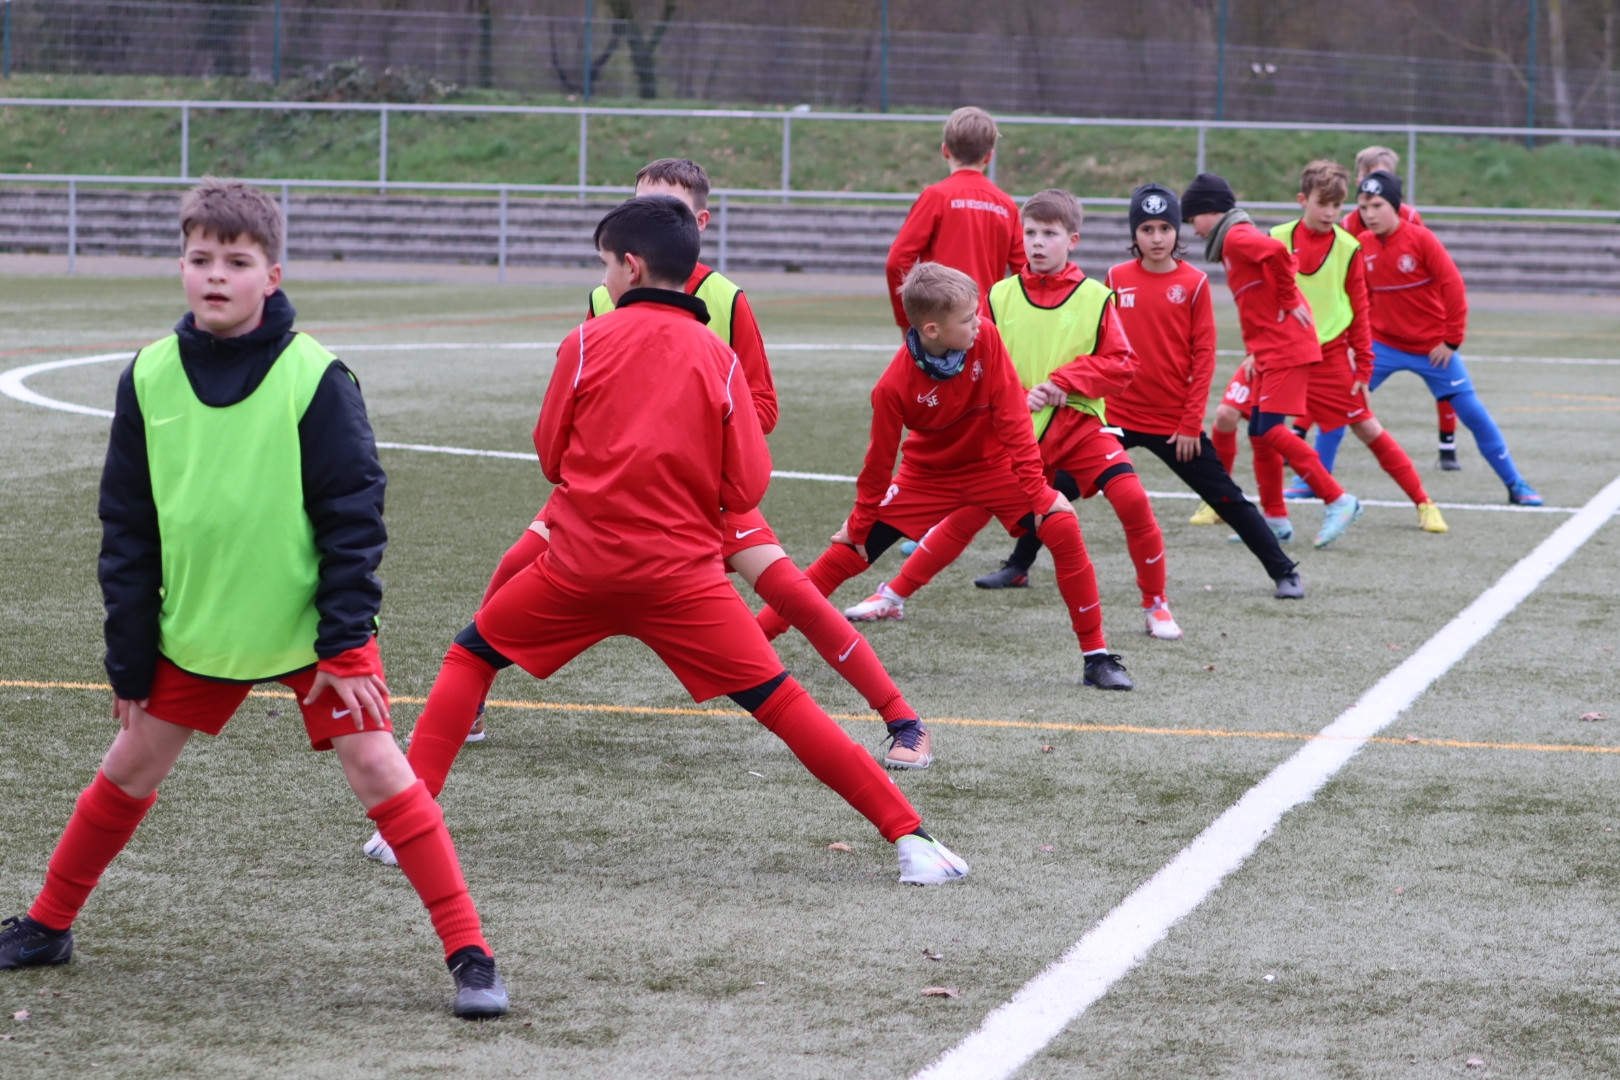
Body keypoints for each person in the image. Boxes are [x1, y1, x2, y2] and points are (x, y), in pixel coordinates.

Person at [0, 180, 508, 1020]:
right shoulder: (149, 375)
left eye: (236, 261)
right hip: (199, 629)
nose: (215, 275)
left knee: (380, 768)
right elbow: (127, 527)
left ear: (272, 275)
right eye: (200, 258)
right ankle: (49, 924)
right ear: (181, 265)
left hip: (316, 635)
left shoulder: (315, 376)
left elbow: (355, 517)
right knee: (128, 764)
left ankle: (471, 954)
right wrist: (130, 654)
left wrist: (345, 643)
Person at [377, 196, 970, 887]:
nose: (604, 277)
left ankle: (404, 830)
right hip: (683, 579)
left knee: (471, 655)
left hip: (578, 569)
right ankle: (912, 839)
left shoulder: (583, 341)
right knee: (782, 702)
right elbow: (746, 485)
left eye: (606, 264)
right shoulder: (718, 355)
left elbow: (549, 456)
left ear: (630, 267)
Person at [458, 158, 933, 771]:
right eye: (640, 206)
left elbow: (763, 404)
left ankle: (902, 719)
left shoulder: (726, 299)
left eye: (670, 209)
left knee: (797, 597)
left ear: (699, 223)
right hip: (609, 498)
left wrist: (696, 429)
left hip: (703, 496)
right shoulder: (605, 295)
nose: (652, 218)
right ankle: (471, 697)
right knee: (515, 564)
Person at [756, 261, 1135, 690]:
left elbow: (1013, 417)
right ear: (933, 329)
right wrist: (860, 524)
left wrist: (1038, 492)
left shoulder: (986, 338)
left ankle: (1096, 657)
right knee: (848, 554)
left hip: (994, 468)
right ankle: (753, 639)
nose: (979, 323)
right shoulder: (893, 387)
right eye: (968, 318)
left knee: (1061, 523)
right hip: (926, 476)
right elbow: (878, 464)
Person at [844, 188, 1186, 637]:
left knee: (1133, 499)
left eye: (1050, 234)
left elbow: (1122, 364)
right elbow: (969, 362)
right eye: (1030, 233)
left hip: (1078, 426)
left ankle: (1156, 604)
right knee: (968, 513)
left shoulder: (1096, 296)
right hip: (1012, 431)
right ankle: (892, 596)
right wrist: (1007, 399)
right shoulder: (998, 296)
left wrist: (1065, 381)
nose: (1038, 242)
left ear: (1073, 240)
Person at [961, 184, 1305, 599]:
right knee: (1056, 488)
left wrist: (1190, 424)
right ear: (1134, 234)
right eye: (1146, 229)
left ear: (1177, 231)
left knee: (1225, 496)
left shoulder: (1194, 283)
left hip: (1173, 423)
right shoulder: (1115, 279)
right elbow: (1101, 352)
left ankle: (1284, 571)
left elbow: (1204, 358)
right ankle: (1018, 567)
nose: (1156, 238)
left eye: (1165, 228)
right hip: (1115, 418)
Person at [1263, 160, 1448, 534]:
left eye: (1337, 205)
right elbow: (1261, 299)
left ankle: (1424, 503)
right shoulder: (1276, 239)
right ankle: (1234, 506)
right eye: (1323, 203)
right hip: (1281, 355)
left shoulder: (1349, 247)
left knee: (1366, 428)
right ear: (1302, 200)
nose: (1330, 212)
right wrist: (1258, 348)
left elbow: (1361, 310)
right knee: (1236, 416)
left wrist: (1363, 366)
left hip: (1328, 357)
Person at [1180, 172, 1364, 548]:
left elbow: (1278, 253)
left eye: (1192, 217)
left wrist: (1289, 298)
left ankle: (1338, 499)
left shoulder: (1236, 236)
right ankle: (1276, 518)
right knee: (1258, 431)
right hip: (1268, 350)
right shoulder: (1230, 239)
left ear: (1209, 211)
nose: (1192, 227)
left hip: (1286, 347)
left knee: (1272, 431)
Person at [1351, 170, 1542, 506]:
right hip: (1384, 346)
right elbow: (1358, 299)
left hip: (1433, 351)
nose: (1369, 214)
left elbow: (1453, 286)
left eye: (1377, 205)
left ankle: (1516, 484)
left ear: (1395, 206)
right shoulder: (1361, 245)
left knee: (1474, 415)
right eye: (1363, 207)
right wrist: (1358, 345)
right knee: (1343, 404)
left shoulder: (1421, 239)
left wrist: (1451, 340)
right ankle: (1309, 482)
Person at [1331, 145, 1460, 471]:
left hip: (1422, 325)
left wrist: (1447, 330)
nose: (1372, 211)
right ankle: (1304, 437)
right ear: (1360, 180)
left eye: (1386, 176)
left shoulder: (1410, 220)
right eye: (1374, 175)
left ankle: (1448, 444)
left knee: (1451, 384)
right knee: (1341, 382)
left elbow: (1434, 270)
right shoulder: (1349, 223)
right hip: (1377, 326)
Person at [884, 106, 1025, 329]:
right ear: (989, 156)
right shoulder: (1006, 204)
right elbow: (1025, 272)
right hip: (985, 325)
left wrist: (909, 321)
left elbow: (897, 261)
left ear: (945, 150)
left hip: (940, 325)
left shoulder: (936, 197)